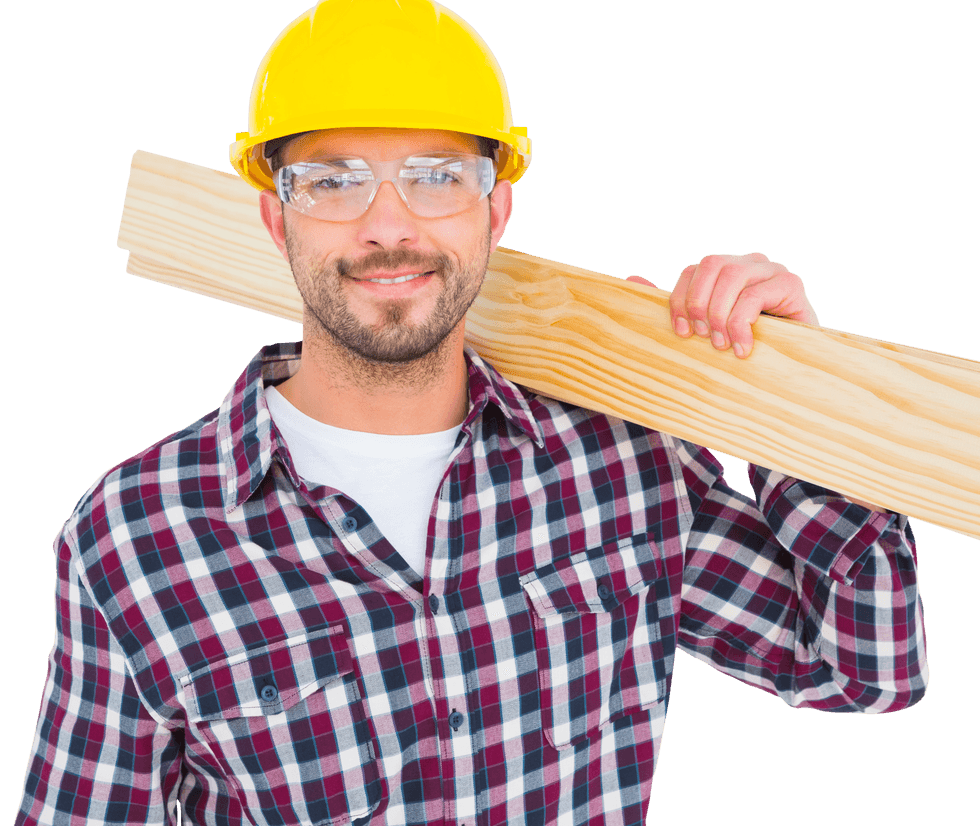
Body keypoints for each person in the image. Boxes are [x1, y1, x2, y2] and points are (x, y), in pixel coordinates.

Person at [14, 1, 928, 824]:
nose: (388, 226)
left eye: (437, 176)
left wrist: (791, 398)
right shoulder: (134, 539)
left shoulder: (618, 458)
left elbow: (867, 670)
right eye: (333, 180)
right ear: (274, 217)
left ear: (496, 209)